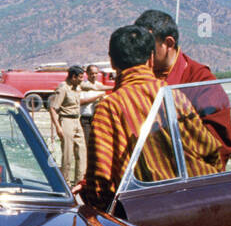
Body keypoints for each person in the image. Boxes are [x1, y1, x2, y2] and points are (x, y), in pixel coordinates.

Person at [82, 25, 220, 210]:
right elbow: (210, 151)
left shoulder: (110, 107)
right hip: (196, 204)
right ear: (151, 59)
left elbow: (100, 181)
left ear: (112, 62)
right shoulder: (174, 96)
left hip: (143, 212)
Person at [134, 8, 231, 163]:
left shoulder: (201, 82)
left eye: (148, 47)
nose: (142, 53)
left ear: (168, 43)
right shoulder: (139, 74)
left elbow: (218, 147)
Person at [48, 66, 103, 187]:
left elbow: (96, 87)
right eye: (81, 77)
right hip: (66, 121)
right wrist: (58, 127)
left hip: (77, 121)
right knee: (67, 154)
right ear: (73, 77)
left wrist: (115, 87)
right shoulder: (63, 89)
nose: (82, 80)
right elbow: (53, 108)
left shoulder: (78, 86)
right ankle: (65, 182)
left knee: (82, 152)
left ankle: (80, 181)